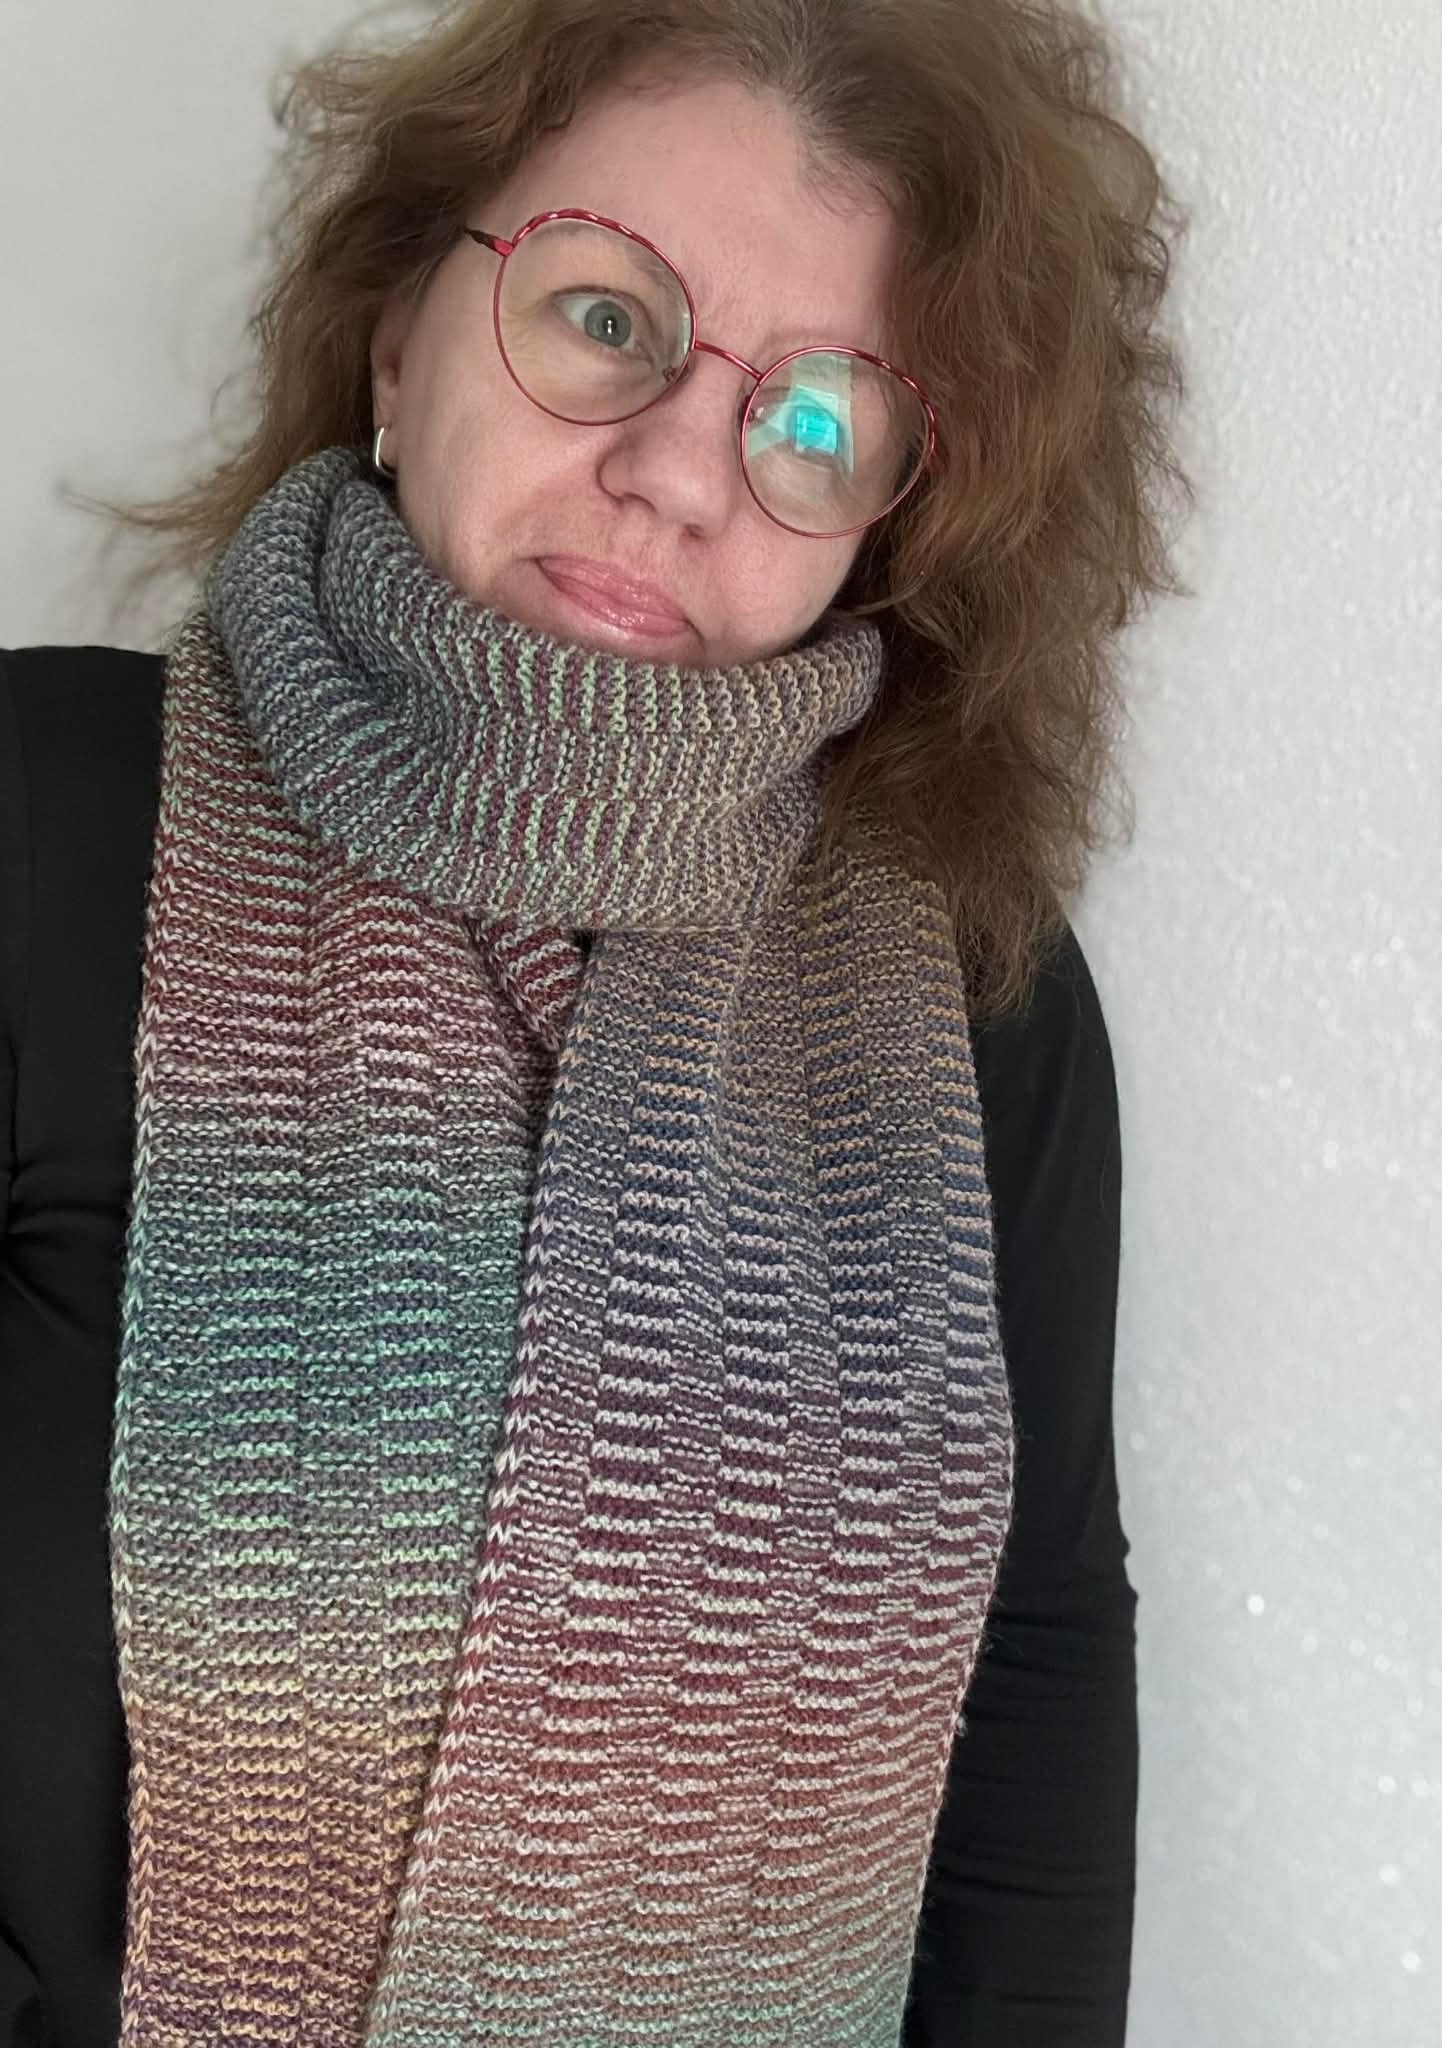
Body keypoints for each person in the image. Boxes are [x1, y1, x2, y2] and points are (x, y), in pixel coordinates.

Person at [0, 0, 1193, 2042]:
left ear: (888, 522)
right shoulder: (35, 818)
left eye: (814, 418)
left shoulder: (978, 993)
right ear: (398, 340)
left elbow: (1039, 1654)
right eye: (604, 317)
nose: (673, 475)